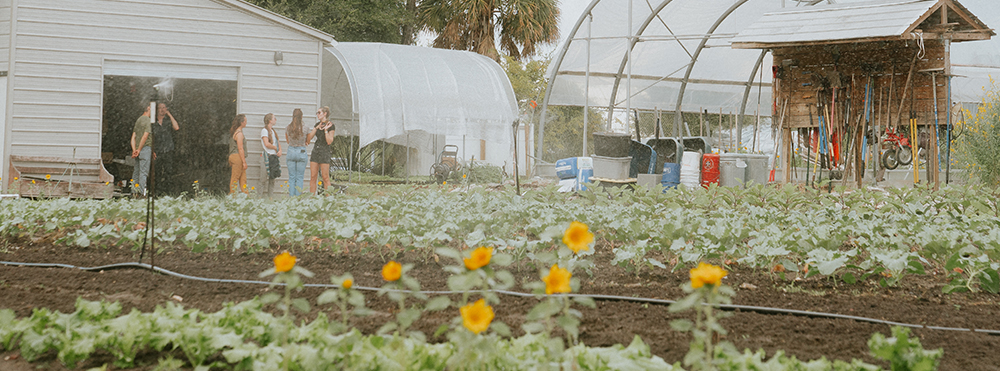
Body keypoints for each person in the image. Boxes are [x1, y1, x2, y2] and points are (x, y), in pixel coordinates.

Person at [307, 106, 335, 194]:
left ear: (325, 113)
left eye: (319, 112)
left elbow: (329, 141)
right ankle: (312, 198)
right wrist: (316, 128)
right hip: (316, 150)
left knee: (325, 176)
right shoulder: (317, 124)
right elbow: (308, 139)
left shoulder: (331, 125)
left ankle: (328, 198)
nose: (317, 114)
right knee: (313, 176)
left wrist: (326, 130)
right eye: (317, 113)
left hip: (324, 151)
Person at [152, 103, 180, 195]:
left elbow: (176, 127)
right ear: (157, 110)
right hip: (158, 150)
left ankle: (168, 192)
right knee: (157, 172)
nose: (162, 110)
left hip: (168, 150)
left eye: (164, 108)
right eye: (160, 108)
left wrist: (169, 114)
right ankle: (157, 192)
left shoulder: (168, 121)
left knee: (169, 171)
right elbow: (150, 136)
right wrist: (152, 150)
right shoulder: (153, 122)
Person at [130, 105, 154, 196]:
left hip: (136, 150)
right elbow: (145, 136)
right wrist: (139, 149)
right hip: (145, 148)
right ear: (148, 108)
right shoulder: (148, 121)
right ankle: (141, 194)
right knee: (143, 173)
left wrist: (134, 150)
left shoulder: (139, 120)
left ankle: (134, 192)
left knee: (136, 172)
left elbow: (133, 137)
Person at [285, 109, 308, 196]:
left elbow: (287, 141)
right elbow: (307, 141)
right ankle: (298, 199)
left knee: (291, 177)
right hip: (301, 151)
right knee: (299, 177)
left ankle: (291, 199)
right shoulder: (305, 127)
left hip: (291, 150)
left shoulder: (288, 128)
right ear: (301, 117)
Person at [261, 113, 282, 198]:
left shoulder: (273, 131)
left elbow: (278, 142)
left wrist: (280, 150)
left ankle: (270, 198)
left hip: (273, 157)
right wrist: (275, 148)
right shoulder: (264, 131)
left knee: (272, 179)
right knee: (263, 179)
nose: (275, 120)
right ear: (270, 120)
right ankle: (259, 198)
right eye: (274, 118)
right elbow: (266, 143)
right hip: (266, 156)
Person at [228, 114, 249, 194]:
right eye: (245, 121)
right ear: (242, 122)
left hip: (237, 157)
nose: (246, 123)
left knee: (243, 179)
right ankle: (232, 198)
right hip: (237, 157)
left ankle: (247, 197)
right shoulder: (239, 134)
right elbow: (240, 148)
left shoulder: (236, 132)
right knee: (235, 179)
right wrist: (244, 162)